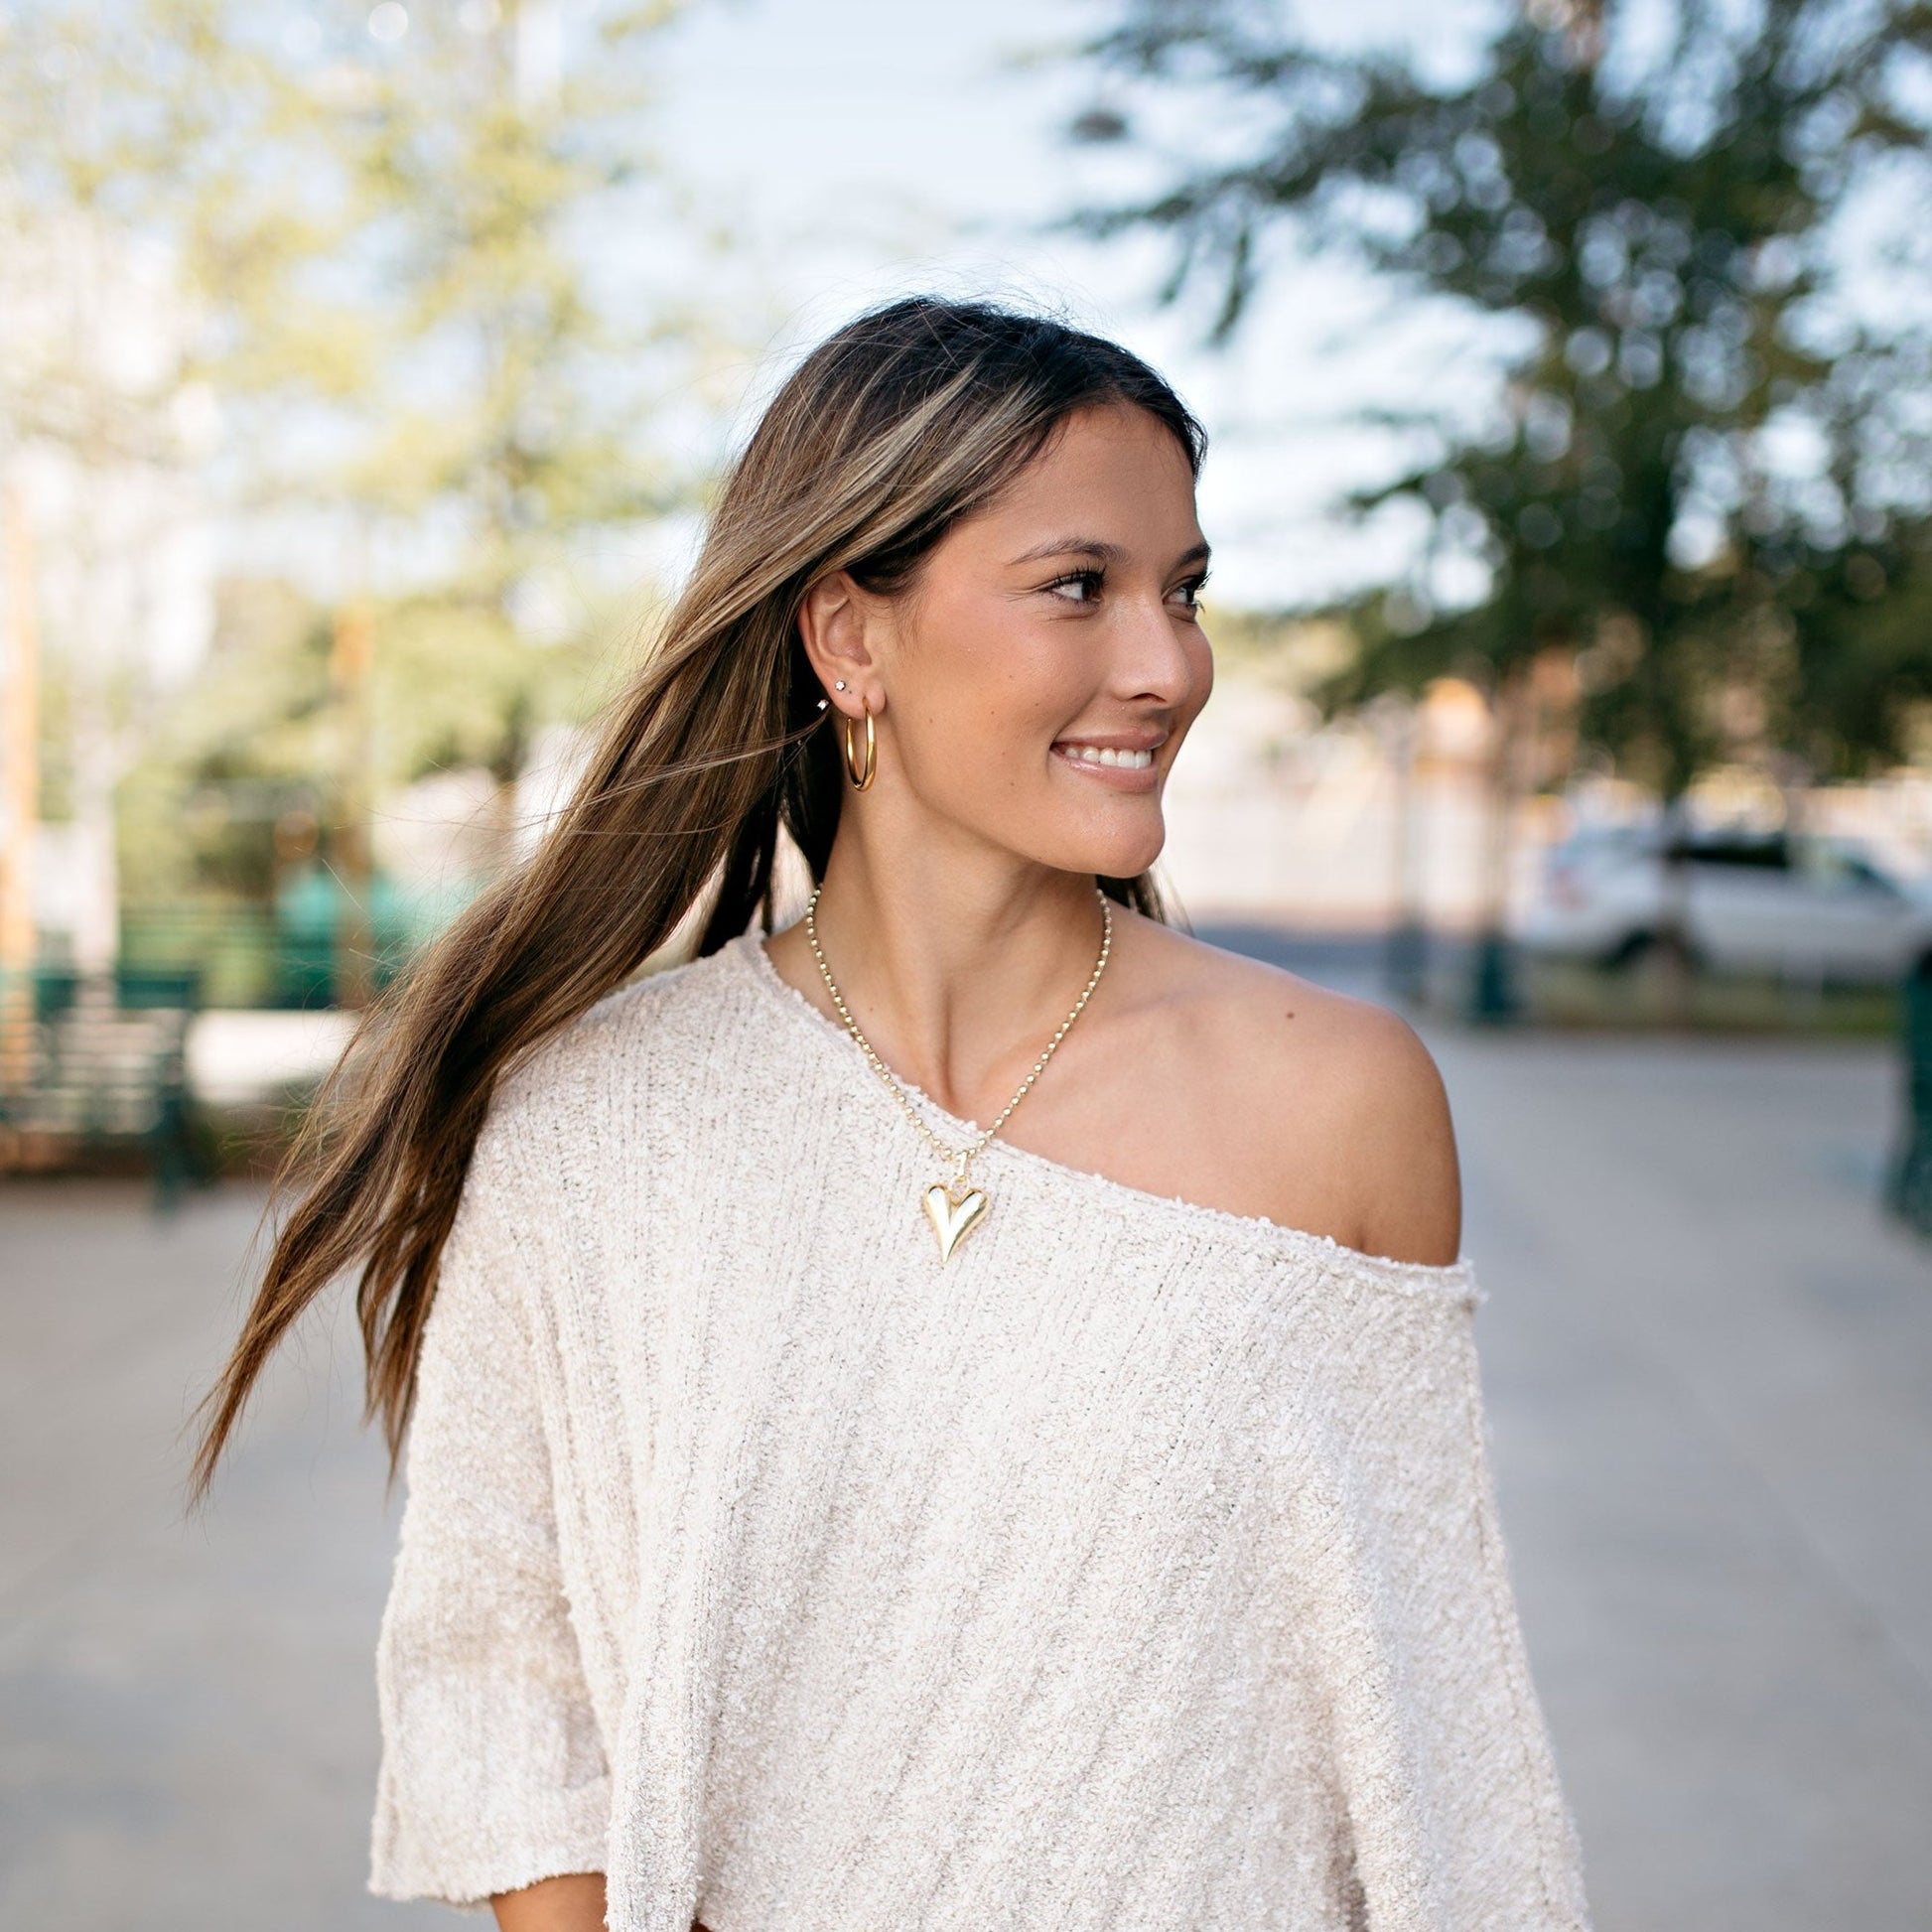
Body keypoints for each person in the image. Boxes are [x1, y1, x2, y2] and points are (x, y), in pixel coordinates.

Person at [189, 296, 1593, 1932]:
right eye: (1080, 586)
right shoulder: (592, 1122)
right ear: (849, 638)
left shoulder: (1342, 1102)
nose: (1166, 667)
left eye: (1184, 592)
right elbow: (508, 1682)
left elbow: (1434, 1750)